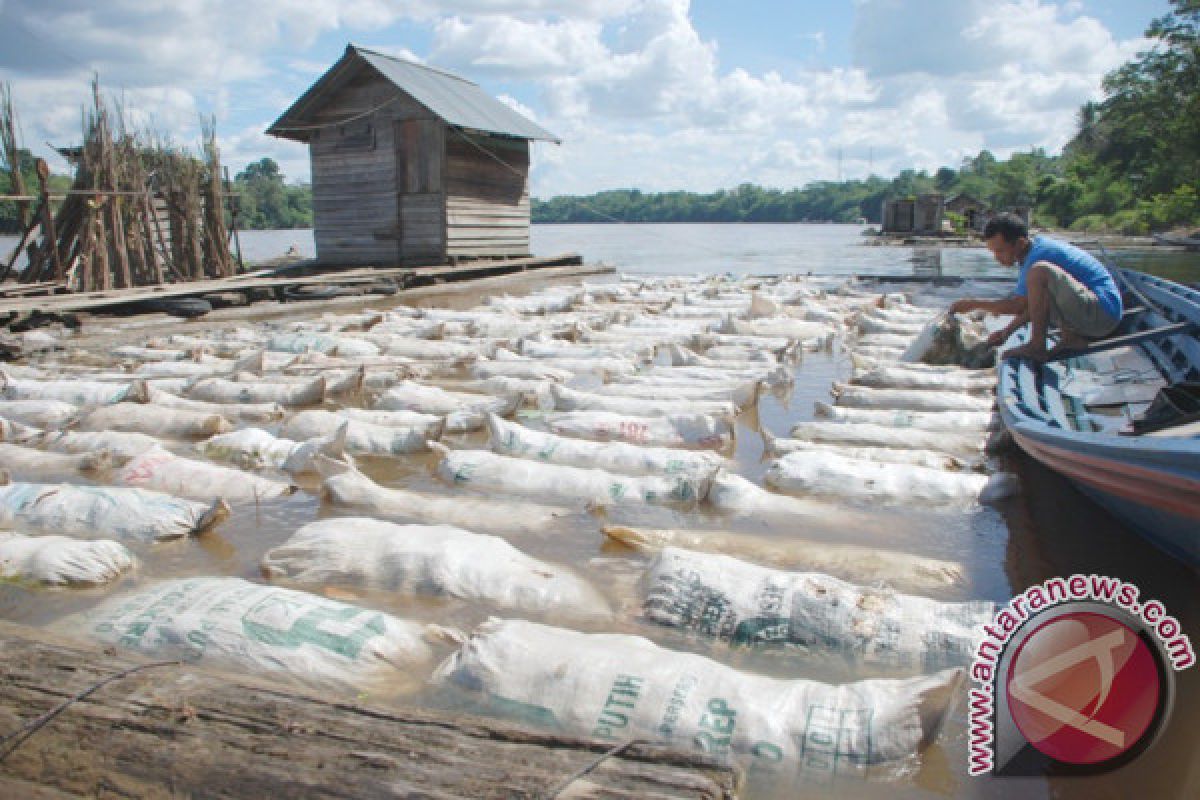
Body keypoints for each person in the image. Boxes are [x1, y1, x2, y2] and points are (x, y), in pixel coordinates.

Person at [949, 213, 1123, 361]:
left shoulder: (1038, 257)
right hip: (1091, 312)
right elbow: (1034, 304)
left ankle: (1037, 346)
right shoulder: (1032, 251)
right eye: (993, 252)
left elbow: (1019, 306)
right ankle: (1070, 337)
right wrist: (1006, 333)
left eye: (1000, 251)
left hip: (1102, 315)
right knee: (1037, 281)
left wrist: (973, 304)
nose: (997, 258)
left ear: (1020, 243)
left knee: (1040, 271)